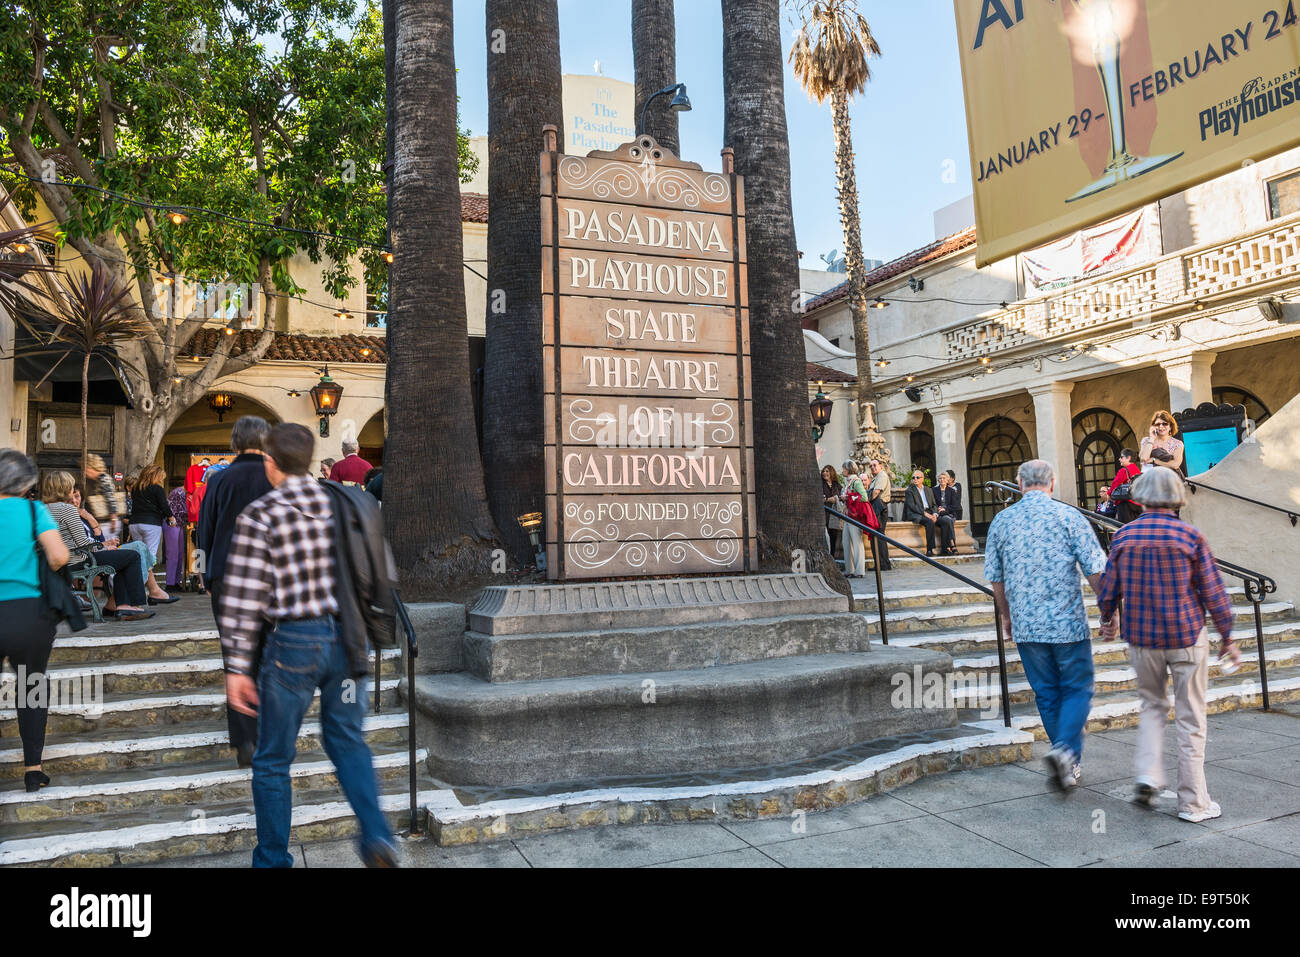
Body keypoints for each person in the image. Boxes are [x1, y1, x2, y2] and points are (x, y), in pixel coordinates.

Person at [218, 423, 396, 867]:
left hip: (294, 643)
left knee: (274, 756)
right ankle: (376, 834)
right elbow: (380, 565)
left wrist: (237, 668)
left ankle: (273, 860)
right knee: (349, 740)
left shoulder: (261, 514)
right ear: (313, 460)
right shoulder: (344, 502)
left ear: (271, 463)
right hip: (348, 637)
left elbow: (242, 601)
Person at [1097, 468, 1239, 822]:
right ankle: (1193, 803)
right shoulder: (1190, 536)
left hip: (1142, 638)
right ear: (1177, 496)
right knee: (1191, 718)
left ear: (1139, 496)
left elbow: (1108, 588)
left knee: (1151, 707)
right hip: (1187, 635)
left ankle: (1148, 775)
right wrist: (1228, 637)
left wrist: (1107, 618)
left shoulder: (1124, 536)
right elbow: (1213, 592)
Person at [985, 460, 1109, 791]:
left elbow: (996, 578)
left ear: (1020, 483)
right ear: (1052, 483)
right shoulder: (1069, 516)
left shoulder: (1002, 521)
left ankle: (1066, 761)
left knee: (1047, 693)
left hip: (1027, 625)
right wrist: (1108, 610)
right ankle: (1066, 752)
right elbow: (1096, 569)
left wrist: (1006, 615)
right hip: (1067, 623)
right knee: (1078, 688)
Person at [198, 415, 274, 768]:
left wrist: (204, 575)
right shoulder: (277, 476)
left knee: (236, 656)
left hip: (227, 576)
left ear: (235, 443)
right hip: (268, 576)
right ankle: (268, 728)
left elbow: (205, 530)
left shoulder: (219, 479)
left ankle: (245, 739)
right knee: (267, 650)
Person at [0, 450, 72, 792]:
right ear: (26, 482)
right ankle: (32, 769)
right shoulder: (34, 510)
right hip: (29, 613)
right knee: (31, 687)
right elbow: (59, 557)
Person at [41, 471, 154, 621]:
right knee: (132, 556)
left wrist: (103, 545)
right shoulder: (67, 510)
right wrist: (104, 546)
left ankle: (122, 606)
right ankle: (132, 605)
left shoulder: (42, 509)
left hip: (56, 561)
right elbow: (82, 543)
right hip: (78, 559)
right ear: (64, 487)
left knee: (123, 559)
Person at [73, 485, 175, 604]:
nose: (75, 501)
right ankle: (147, 594)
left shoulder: (84, 515)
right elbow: (82, 543)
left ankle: (118, 602)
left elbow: (99, 537)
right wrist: (104, 545)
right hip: (90, 555)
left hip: (98, 551)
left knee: (138, 547)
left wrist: (91, 519)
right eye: (71, 498)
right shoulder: (71, 516)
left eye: (77, 496)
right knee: (135, 553)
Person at [128, 464, 170, 577]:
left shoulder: (136, 488)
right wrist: (171, 518)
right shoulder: (157, 488)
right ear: (156, 476)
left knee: (140, 555)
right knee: (150, 557)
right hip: (151, 524)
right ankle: (143, 585)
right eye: (161, 477)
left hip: (134, 524)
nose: (161, 480)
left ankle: (140, 582)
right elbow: (164, 506)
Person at [903, 469, 953, 556]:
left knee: (946, 521)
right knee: (929, 522)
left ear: (922, 479)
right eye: (913, 477)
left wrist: (934, 514)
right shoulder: (909, 491)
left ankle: (945, 549)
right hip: (917, 513)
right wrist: (926, 515)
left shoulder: (928, 490)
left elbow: (934, 504)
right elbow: (913, 506)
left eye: (917, 477)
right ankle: (930, 549)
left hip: (929, 512)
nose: (915, 479)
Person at [838, 460, 868, 579]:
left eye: (843, 468)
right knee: (846, 542)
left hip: (855, 516)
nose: (842, 471)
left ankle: (859, 570)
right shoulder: (849, 482)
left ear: (849, 469)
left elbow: (864, 497)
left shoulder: (856, 481)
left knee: (856, 541)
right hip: (848, 515)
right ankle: (849, 569)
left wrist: (848, 497)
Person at [1101, 448, 1142, 524]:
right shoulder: (1138, 470)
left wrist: (1110, 494)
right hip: (1138, 504)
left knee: (1125, 528)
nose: (1119, 459)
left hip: (1126, 503)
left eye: (1121, 457)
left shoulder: (1123, 470)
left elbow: (1114, 485)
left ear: (1128, 458)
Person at [84, 453, 120, 538]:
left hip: (108, 522)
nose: (85, 472)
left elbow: (110, 499)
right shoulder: (100, 479)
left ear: (92, 467)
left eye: (86, 468)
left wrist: (113, 520)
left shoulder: (104, 478)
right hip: (107, 521)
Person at [866, 459, 893, 571]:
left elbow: (876, 492)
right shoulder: (876, 477)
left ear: (880, 466)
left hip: (879, 506)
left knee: (878, 536)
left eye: (875, 465)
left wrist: (866, 502)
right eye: (871, 466)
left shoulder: (882, 476)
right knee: (876, 536)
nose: (872, 467)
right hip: (878, 506)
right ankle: (881, 564)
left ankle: (883, 564)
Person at [934, 470, 961, 556]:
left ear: (947, 480)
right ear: (938, 480)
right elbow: (932, 503)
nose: (942, 480)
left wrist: (945, 509)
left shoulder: (951, 491)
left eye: (944, 478)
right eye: (940, 478)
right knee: (947, 520)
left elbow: (955, 506)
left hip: (949, 513)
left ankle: (949, 546)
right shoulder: (933, 490)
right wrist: (938, 509)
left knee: (948, 519)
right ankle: (953, 545)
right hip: (939, 514)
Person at [821, 465, 843, 559]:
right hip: (824, 513)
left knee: (834, 536)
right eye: (824, 471)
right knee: (826, 536)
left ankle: (832, 557)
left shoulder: (837, 485)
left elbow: (841, 497)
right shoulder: (820, 484)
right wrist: (828, 500)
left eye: (827, 471)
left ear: (832, 473)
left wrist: (836, 499)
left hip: (835, 514)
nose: (825, 473)